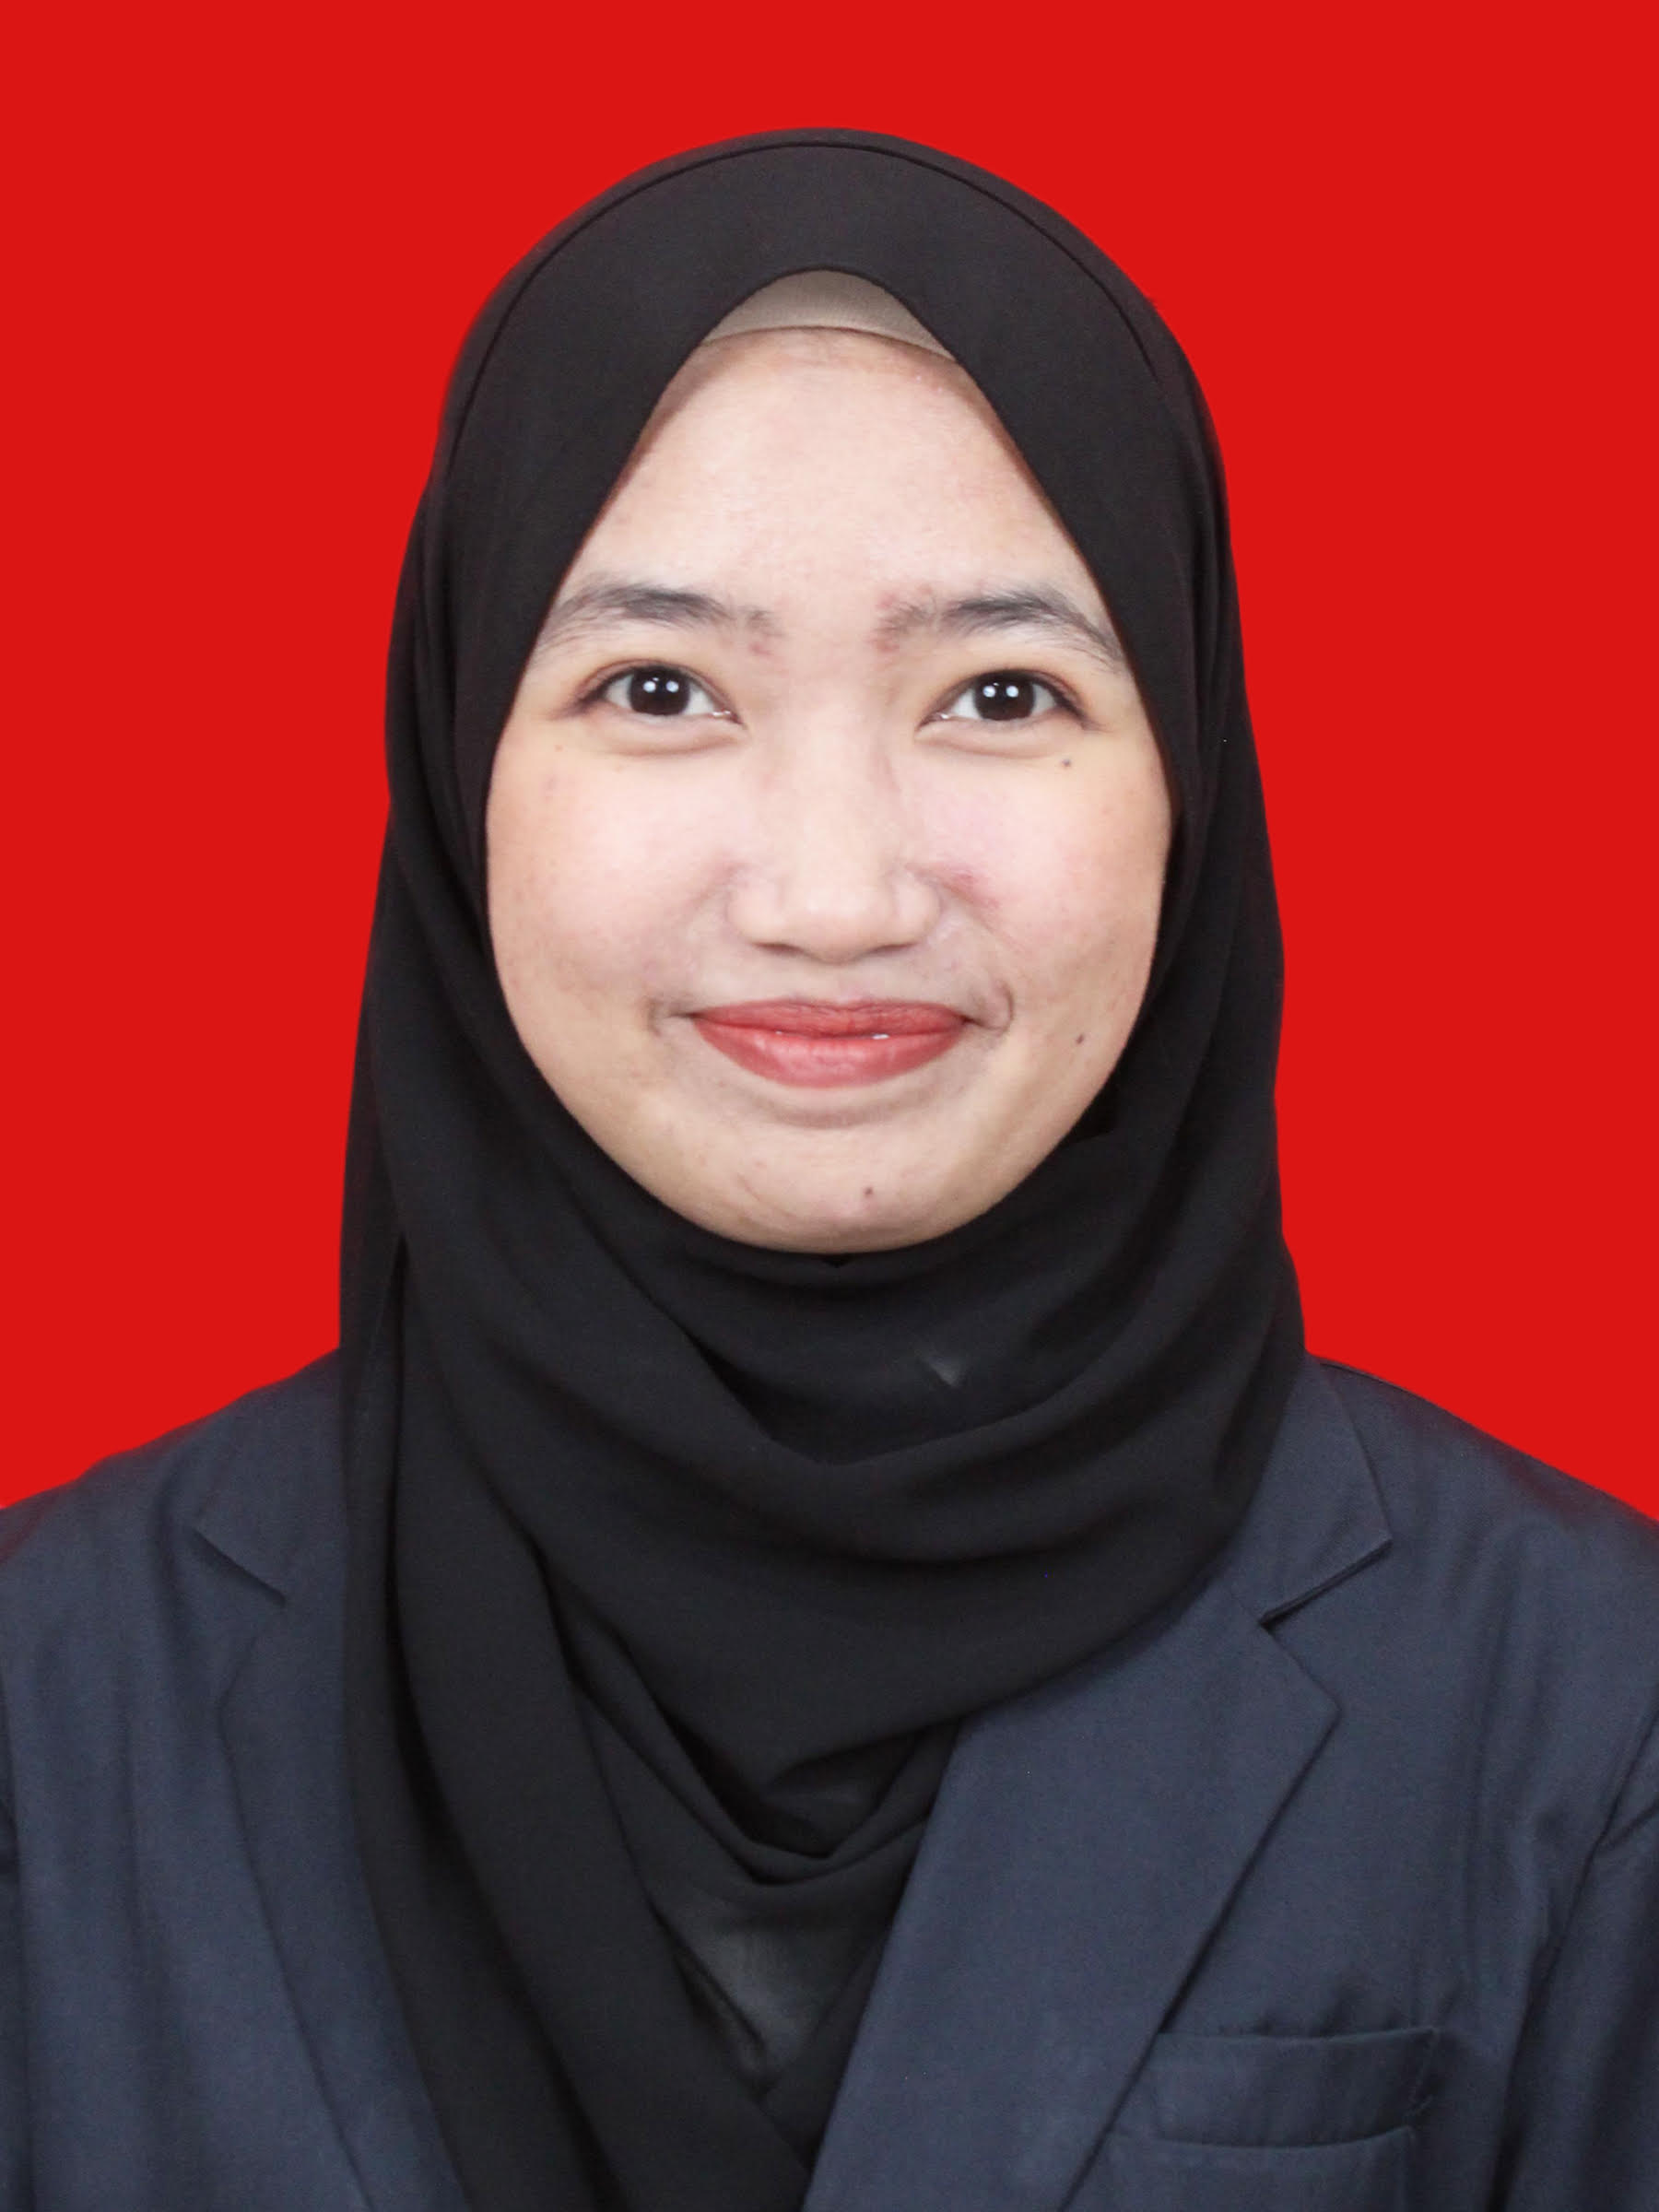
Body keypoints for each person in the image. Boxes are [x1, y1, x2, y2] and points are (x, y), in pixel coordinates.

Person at [1, 127, 1655, 2212]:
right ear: (457, 766)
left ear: (1190, 782)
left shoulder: (1585, 1708)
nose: (834, 895)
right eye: (660, 687)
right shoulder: (46, 1702)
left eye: (1001, 692)